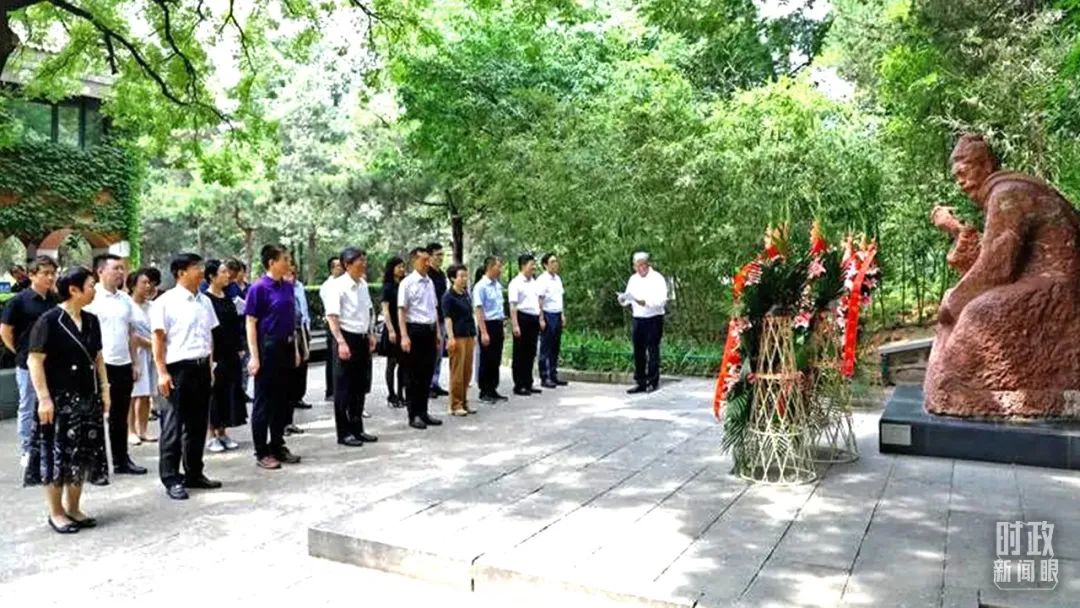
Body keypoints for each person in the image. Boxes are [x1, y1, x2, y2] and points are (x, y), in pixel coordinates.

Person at [23, 266, 110, 533]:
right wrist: (44, 398)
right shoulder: (49, 321)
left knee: (81, 455)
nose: (94, 290)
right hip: (58, 400)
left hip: (87, 397)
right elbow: (34, 360)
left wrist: (105, 389)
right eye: (91, 285)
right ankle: (56, 512)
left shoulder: (92, 320)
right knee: (57, 456)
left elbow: (98, 357)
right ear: (74, 290)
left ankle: (74, 508)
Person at [151, 254, 222, 500]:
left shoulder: (205, 301)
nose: (201, 271)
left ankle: (194, 472)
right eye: (196, 268)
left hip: (201, 367)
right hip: (177, 369)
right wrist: (162, 372)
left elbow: (209, 336)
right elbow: (158, 339)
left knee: (197, 424)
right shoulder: (165, 302)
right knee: (173, 425)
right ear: (181, 273)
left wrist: (210, 367)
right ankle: (171, 478)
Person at [85, 254, 147, 475]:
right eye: (116, 268)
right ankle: (94, 465)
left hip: (123, 364)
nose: (121, 273)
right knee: (94, 416)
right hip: (99, 365)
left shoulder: (125, 299)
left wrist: (135, 362)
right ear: (100, 271)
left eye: (122, 268)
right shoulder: (91, 298)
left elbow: (132, 331)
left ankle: (121, 461)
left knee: (120, 416)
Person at [245, 245, 302, 470]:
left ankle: (277, 444)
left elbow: (291, 321)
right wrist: (254, 356)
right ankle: (261, 451)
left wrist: (295, 349)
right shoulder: (258, 288)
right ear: (271, 262)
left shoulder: (287, 287)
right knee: (264, 402)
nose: (288, 263)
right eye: (284, 259)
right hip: (267, 348)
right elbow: (251, 323)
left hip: (286, 346)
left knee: (282, 400)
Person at [2, 255, 58, 468]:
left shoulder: (55, 300)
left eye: (53, 273)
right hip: (27, 364)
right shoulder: (18, 301)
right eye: (45, 273)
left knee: (51, 404)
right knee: (28, 405)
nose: (50, 277)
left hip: (52, 363)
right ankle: (27, 449)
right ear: (32, 275)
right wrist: (19, 351)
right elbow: (5, 331)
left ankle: (50, 446)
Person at [324, 247, 379, 446]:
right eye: (359, 261)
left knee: (359, 386)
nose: (364, 264)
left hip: (362, 338)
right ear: (347, 265)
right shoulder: (337, 286)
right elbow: (332, 316)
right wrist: (341, 341)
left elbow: (367, 311)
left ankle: (357, 428)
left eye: (364, 260)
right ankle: (344, 432)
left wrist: (370, 333)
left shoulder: (362, 284)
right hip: (346, 338)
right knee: (343, 388)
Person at [203, 260, 247, 453]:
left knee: (229, 392)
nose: (227, 275)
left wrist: (240, 346)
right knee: (215, 394)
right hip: (216, 354)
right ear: (212, 276)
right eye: (222, 272)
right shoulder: (206, 300)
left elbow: (236, 323)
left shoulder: (228, 296)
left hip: (231, 353)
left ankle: (223, 432)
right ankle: (211, 435)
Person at [398, 247, 443, 430]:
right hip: (414, 330)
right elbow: (402, 310)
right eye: (423, 260)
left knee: (426, 373)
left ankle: (424, 411)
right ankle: (414, 414)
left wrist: (437, 333)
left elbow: (434, 308)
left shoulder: (430, 282)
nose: (427, 263)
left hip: (430, 330)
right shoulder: (407, 283)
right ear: (414, 261)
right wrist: (404, 335)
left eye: (428, 260)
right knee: (413, 375)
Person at [619, 252, 668, 394]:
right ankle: (640, 381)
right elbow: (628, 298)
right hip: (638, 318)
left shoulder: (657, 278)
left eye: (642, 265)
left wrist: (645, 302)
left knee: (652, 349)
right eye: (636, 266)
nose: (639, 269)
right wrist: (623, 299)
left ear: (647, 264)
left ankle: (653, 381)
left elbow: (661, 301)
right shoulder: (633, 279)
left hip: (654, 317)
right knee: (638, 350)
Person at [126, 268, 161, 446]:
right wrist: (149, 343)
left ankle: (143, 429)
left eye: (150, 283)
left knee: (147, 393)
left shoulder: (153, 306)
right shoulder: (127, 306)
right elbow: (130, 333)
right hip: (136, 353)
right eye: (144, 283)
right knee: (134, 394)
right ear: (133, 285)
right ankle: (131, 430)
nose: (148, 286)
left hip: (152, 354)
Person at [443, 264, 477, 416]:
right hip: (457, 336)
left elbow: (470, 315)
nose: (464, 279)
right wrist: (450, 337)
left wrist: (474, 335)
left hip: (468, 335)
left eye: (465, 276)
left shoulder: (465, 294)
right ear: (452, 278)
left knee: (467, 371)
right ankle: (455, 404)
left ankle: (464, 401)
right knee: (457, 371)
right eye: (461, 276)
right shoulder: (448, 297)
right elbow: (448, 318)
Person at [473, 256, 508, 404]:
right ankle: (484, 391)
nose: (500, 270)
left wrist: (503, 325)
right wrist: (484, 332)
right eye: (498, 267)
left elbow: (499, 306)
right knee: (486, 358)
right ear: (490, 267)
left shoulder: (497, 285)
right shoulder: (481, 286)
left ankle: (493, 388)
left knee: (496, 359)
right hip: (487, 324)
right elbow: (479, 310)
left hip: (497, 324)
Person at [509, 254, 542, 397]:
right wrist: (515, 324)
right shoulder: (515, 283)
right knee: (520, 353)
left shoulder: (534, 282)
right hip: (522, 318)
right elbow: (513, 305)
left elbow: (538, 302)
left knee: (530, 352)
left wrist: (540, 318)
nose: (534, 267)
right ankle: (519, 384)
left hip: (533, 318)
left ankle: (528, 382)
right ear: (523, 266)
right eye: (531, 264)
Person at [536, 253, 568, 389]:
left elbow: (560, 298)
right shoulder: (542, 280)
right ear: (545, 265)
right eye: (552, 262)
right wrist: (541, 318)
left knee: (555, 346)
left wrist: (562, 314)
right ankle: (545, 376)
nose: (555, 264)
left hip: (557, 313)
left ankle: (554, 374)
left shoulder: (558, 279)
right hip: (548, 314)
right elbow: (540, 300)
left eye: (556, 261)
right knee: (546, 346)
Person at [380, 256, 407, 408]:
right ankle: (391, 395)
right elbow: (385, 310)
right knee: (392, 363)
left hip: (403, 327)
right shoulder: (387, 287)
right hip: (392, 327)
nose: (402, 269)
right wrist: (390, 330)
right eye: (399, 267)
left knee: (403, 363)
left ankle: (401, 394)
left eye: (403, 266)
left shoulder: (404, 285)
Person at [287, 265, 313, 415]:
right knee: (292, 365)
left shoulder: (299, 286)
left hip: (302, 329)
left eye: (293, 273)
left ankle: (299, 396)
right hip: (290, 331)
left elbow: (304, 308)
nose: (292, 276)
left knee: (303, 365)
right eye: (289, 273)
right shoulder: (282, 290)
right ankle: (289, 399)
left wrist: (307, 327)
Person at [320, 257, 345, 400]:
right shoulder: (327, 286)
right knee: (332, 358)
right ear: (331, 269)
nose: (340, 268)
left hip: (345, 325)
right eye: (337, 266)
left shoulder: (345, 283)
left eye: (341, 266)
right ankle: (330, 391)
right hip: (332, 323)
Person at [427, 242, 449, 398]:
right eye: (438, 255)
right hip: (429, 320)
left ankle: (435, 382)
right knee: (430, 353)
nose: (441, 258)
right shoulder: (427, 275)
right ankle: (427, 384)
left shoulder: (441, 274)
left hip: (441, 318)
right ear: (429, 256)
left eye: (442, 255)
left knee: (439, 354)